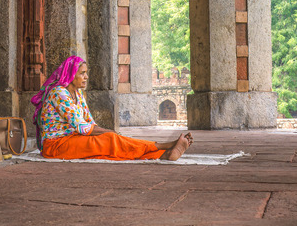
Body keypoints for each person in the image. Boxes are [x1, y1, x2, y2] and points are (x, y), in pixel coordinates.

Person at [31, 56, 193, 161]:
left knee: (110, 150)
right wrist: (110, 133)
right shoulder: (58, 93)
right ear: (71, 75)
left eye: (86, 73)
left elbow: (90, 122)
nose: (86, 77)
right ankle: (164, 145)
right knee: (110, 141)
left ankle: (163, 154)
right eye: (82, 73)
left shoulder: (78, 94)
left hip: (73, 139)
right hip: (55, 146)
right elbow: (82, 127)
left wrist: (109, 133)